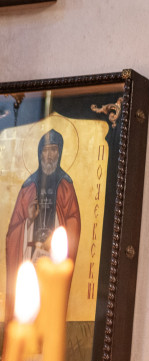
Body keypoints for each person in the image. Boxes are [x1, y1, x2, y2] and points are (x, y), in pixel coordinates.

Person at [6, 129, 81, 322]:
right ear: (40, 153)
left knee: (50, 308)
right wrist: (28, 221)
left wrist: (58, 230)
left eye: (53, 150)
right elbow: (13, 231)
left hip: (53, 261)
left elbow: (73, 220)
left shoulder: (66, 185)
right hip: (30, 258)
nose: (49, 155)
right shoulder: (28, 186)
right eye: (45, 150)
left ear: (60, 152)